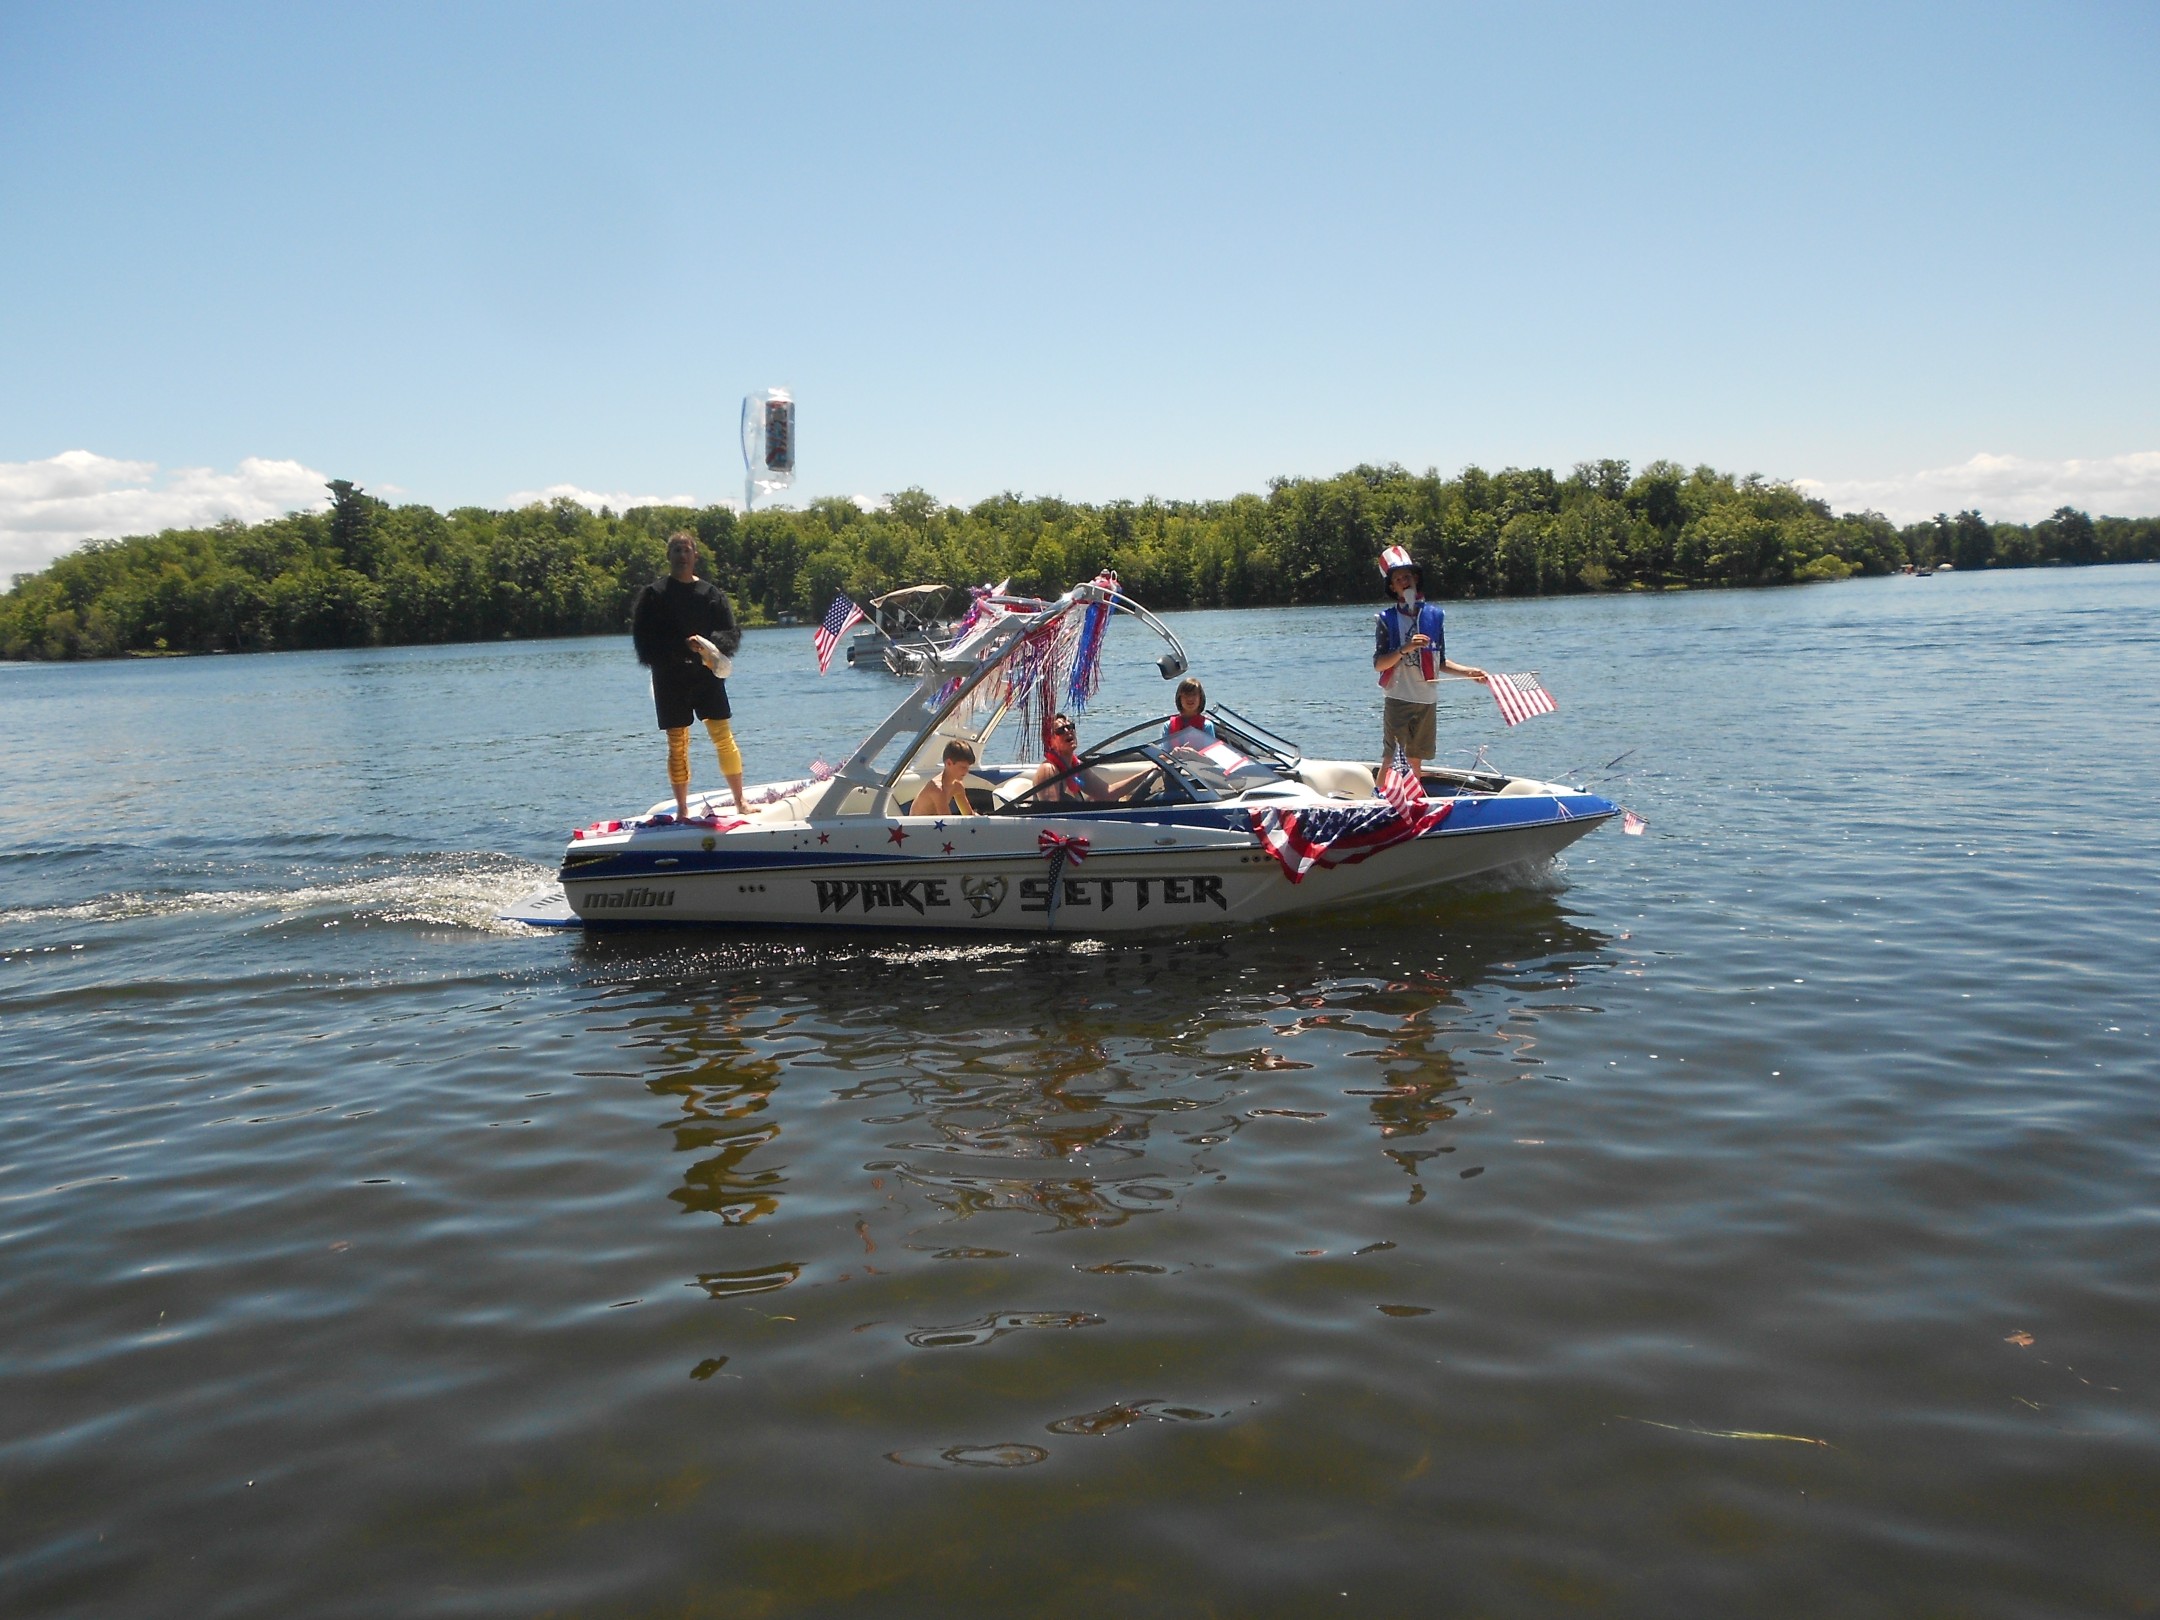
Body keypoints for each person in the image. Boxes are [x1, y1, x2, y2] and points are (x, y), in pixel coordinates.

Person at [631, 531, 747, 819]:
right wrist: (678, 647)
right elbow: (645, 643)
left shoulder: (711, 594)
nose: (682, 556)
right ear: (669, 557)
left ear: (696, 556)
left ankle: (740, 801)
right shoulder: (654, 595)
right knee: (677, 743)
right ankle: (682, 810)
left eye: (687, 551)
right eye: (677, 551)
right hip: (670, 678)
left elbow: (731, 634)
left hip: (706, 674)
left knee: (723, 736)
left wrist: (710, 645)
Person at [1371, 544, 1487, 788]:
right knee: (1392, 758)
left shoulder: (1435, 615)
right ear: (1392, 587)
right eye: (1398, 578)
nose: (1405, 581)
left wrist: (1468, 672)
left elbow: (1440, 661)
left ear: (1416, 580)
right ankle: (1378, 801)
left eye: (1408, 576)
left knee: (1415, 757)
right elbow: (1379, 664)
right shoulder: (1387, 620)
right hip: (1399, 697)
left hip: (1427, 699)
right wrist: (1406, 648)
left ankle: (1412, 802)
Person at [909, 739, 981, 817]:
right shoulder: (938, 789)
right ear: (949, 763)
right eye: (963, 767)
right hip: (918, 827)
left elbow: (969, 815)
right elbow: (947, 824)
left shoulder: (957, 786)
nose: (967, 771)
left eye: (968, 767)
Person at [1031, 713, 1083, 802]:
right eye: (1060, 731)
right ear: (1050, 741)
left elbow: (1106, 793)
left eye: (1070, 726)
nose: (1068, 731)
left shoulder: (1075, 765)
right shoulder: (1048, 770)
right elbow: (1051, 812)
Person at [1160, 677, 1216, 749]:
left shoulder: (1206, 725)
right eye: (1186, 695)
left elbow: (1211, 755)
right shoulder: (1168, 726)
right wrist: (1173, 754)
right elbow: (1163, 755)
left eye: (1194, 694)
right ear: (1179, 698)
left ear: (1200, 698)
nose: (1190, 698)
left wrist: (1194, 755)